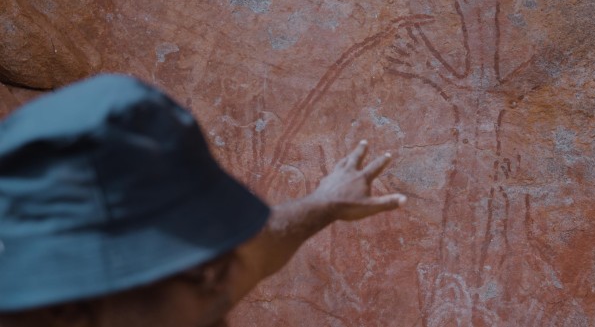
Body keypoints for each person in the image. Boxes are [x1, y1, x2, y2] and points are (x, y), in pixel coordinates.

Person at [0, 74, 406, 327]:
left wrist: (327, 202)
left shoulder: (182, 292)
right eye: (194, 272)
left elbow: (259, 248)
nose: (220, 282)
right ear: (68, 314)